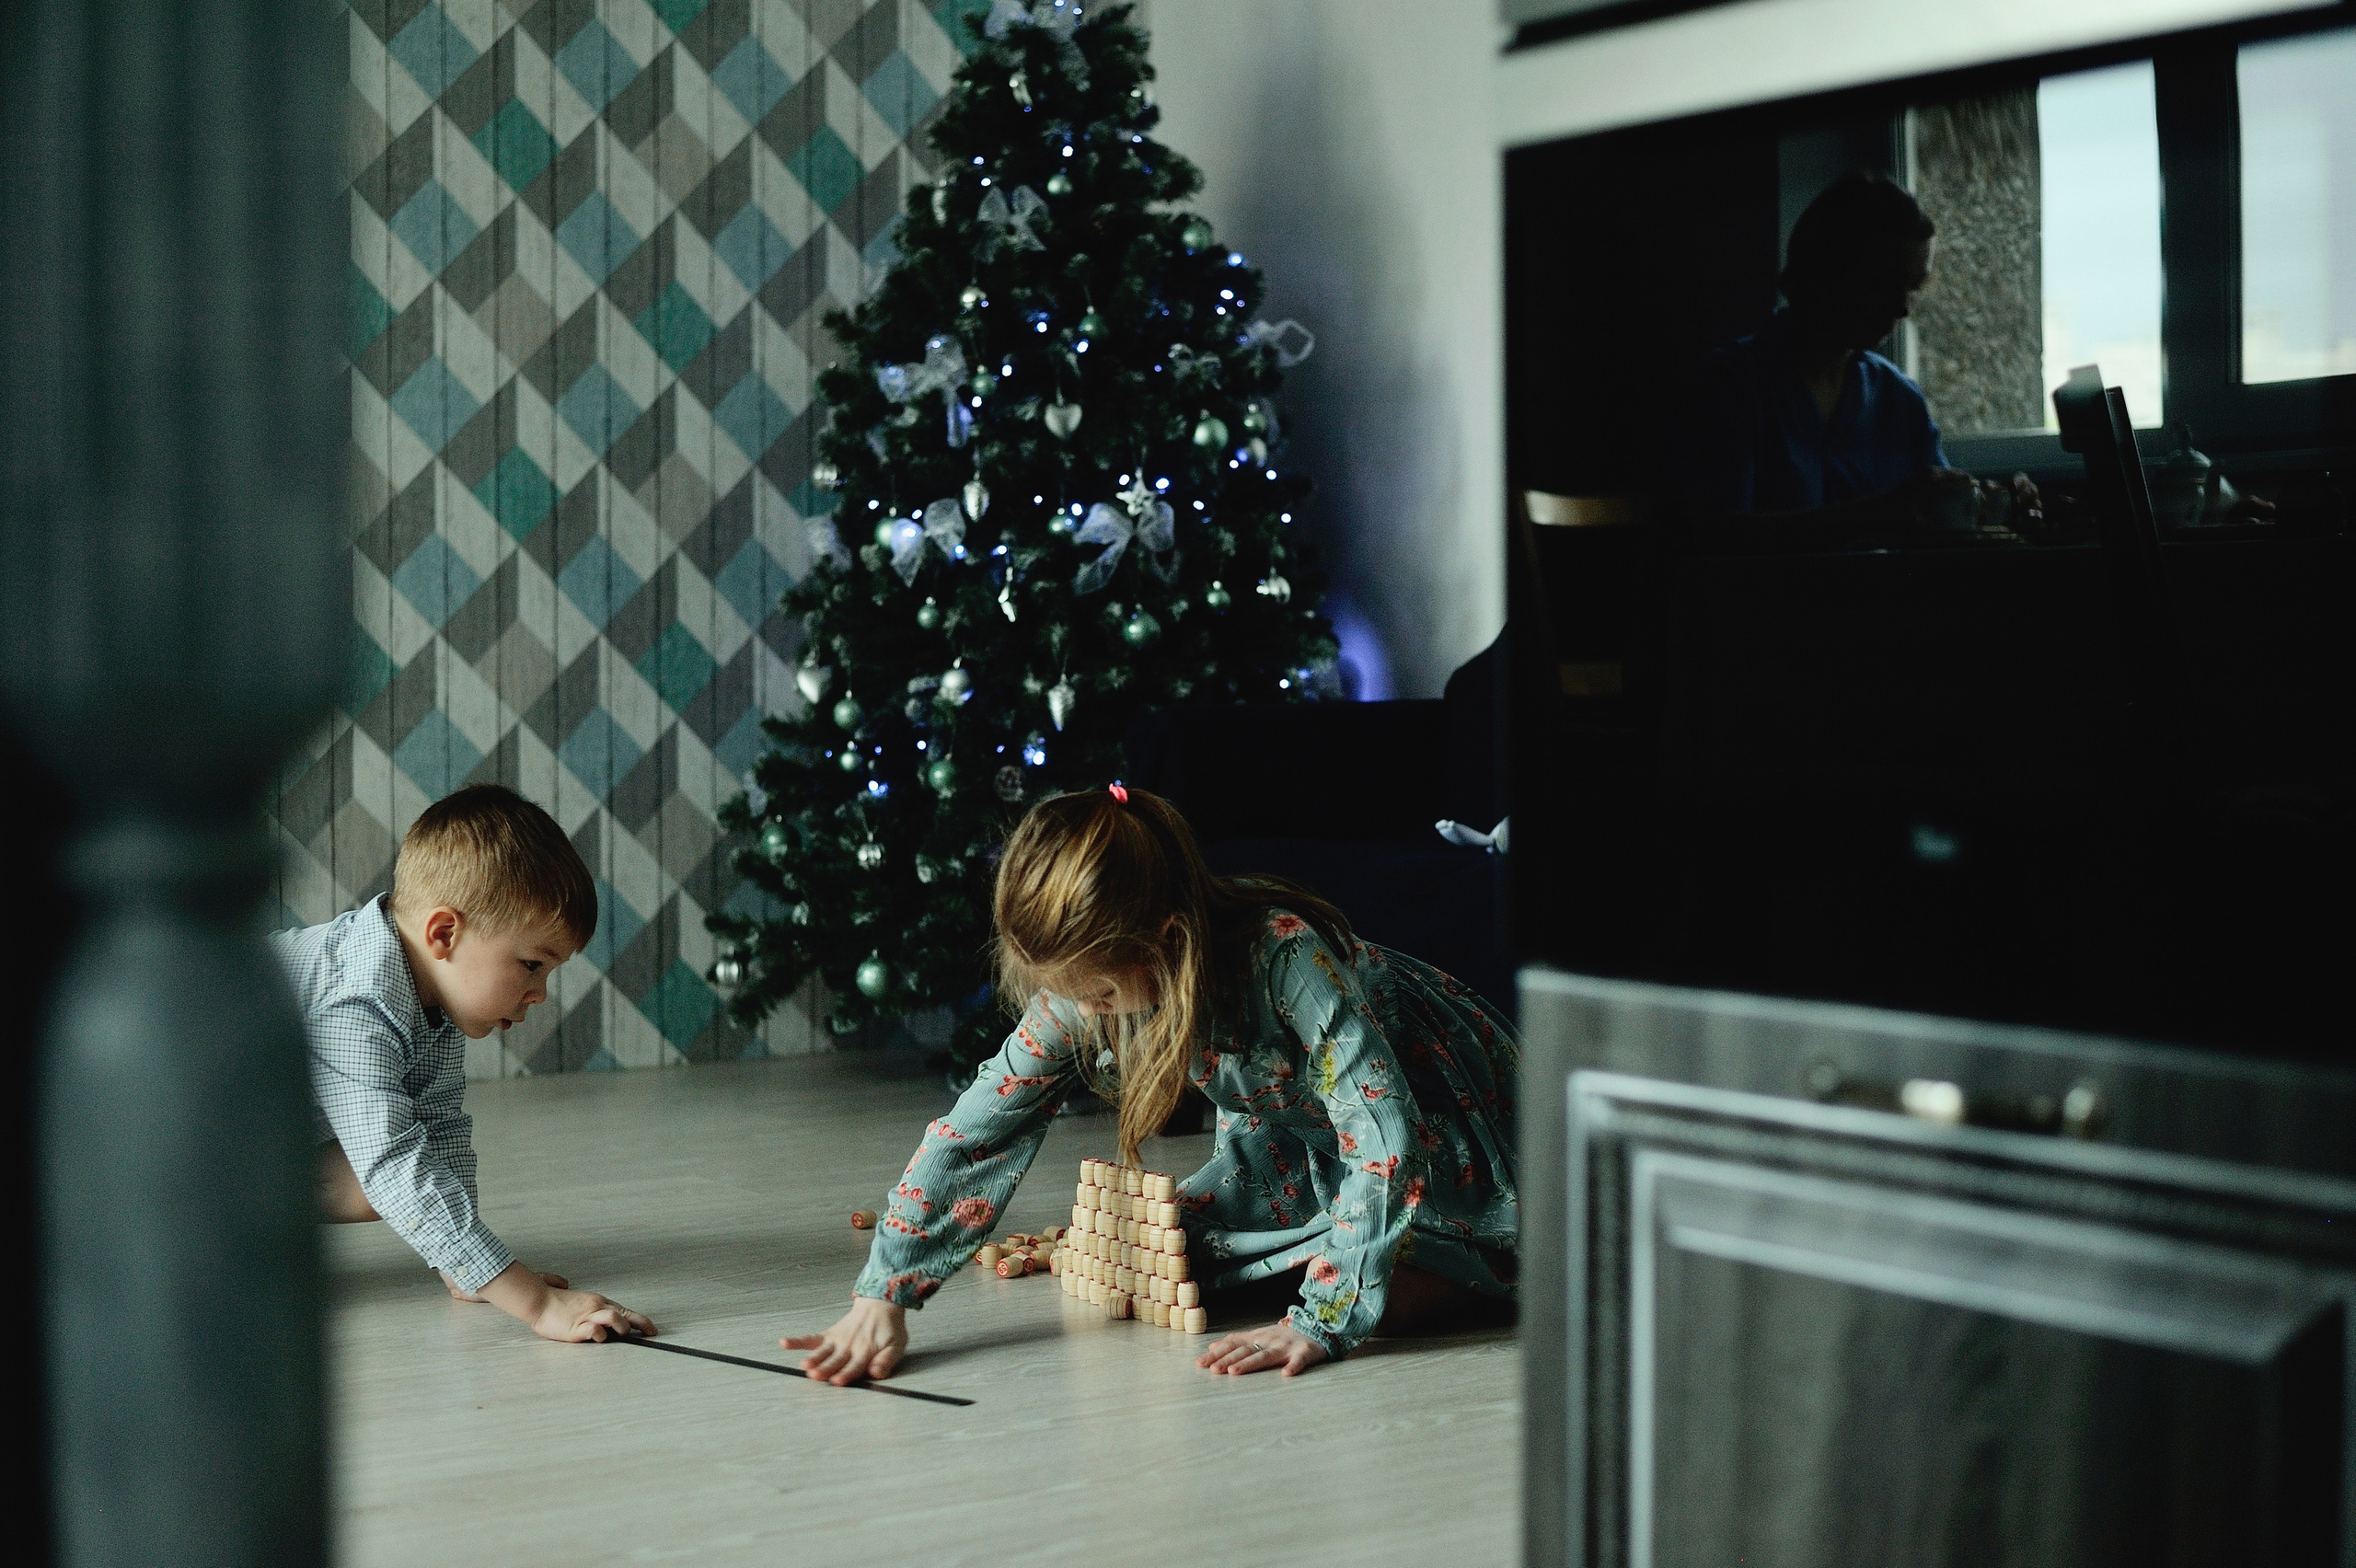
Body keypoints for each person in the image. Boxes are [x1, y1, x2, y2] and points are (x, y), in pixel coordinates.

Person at [786, 784, 1519, 1383]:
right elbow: (981, 1125)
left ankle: (1450, 1279)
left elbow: (1383, 1139)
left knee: (1376, 1286)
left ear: (1168, 944)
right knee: (1204, 1252)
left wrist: (1324, 1320)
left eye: (1100, 997)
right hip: (1298, 1126)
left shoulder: (1287, 957)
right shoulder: (1087, 989)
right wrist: (885, 1292)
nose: (1085, 1013)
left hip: (1437, 1112)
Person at [272, 784, 655, 1344]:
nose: (540, 993)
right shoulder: (355, 1003)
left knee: (412, 1165)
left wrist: (468, 1268)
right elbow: (394, 1163)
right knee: (393, 1174)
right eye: (530, 965)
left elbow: (441, 1130)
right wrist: (536, 1303)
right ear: (444, 933)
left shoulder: (431, 1000)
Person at [1683, 169, 2039, 547]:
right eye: (1884, 282)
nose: (1903, 308)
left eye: (1913, 288)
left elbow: (1935, 520)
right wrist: (1882, 513)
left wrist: (1990, 506)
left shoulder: (1900, 401)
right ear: (1824, 269)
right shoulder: (1731, 384)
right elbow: (1712, 537)